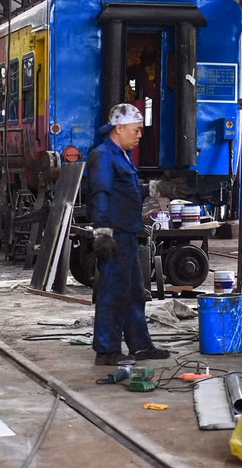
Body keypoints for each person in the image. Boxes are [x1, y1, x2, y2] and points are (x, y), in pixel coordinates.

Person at [85, 103, 170, 366]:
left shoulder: (122, 155)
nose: (139, 135)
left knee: (134, 292)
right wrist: (102, 233)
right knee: (113, 292)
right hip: (115, 235)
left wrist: (155, 188)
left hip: (128, 233)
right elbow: (100, 193)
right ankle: (107, 350)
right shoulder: (103, 156)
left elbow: (127, 189)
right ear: (119, 128)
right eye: (136, 130)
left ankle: (140, 345)